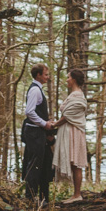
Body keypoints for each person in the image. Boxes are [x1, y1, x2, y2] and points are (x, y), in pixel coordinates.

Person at [20, 63, 57, 202]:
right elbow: (29, 112)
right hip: (34, 133)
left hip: (38, 132)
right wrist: (44, 123)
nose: (48, 77)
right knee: (34, 164)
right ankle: (29, 198)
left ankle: (43, 198)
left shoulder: (38, 90)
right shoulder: (35, 90)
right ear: (38, 75)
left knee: (44, 163)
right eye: (46, 74)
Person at [52, 68, 89, 203]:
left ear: (73, 79)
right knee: (75, 163)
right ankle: (75, 194)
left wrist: (54, 124)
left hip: (74, 131)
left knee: (76, 163)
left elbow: (67, 116)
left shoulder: (77, 96)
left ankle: (77, 194)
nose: (67, 80)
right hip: (71, 131)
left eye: (68, 77)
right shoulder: (73, 94)